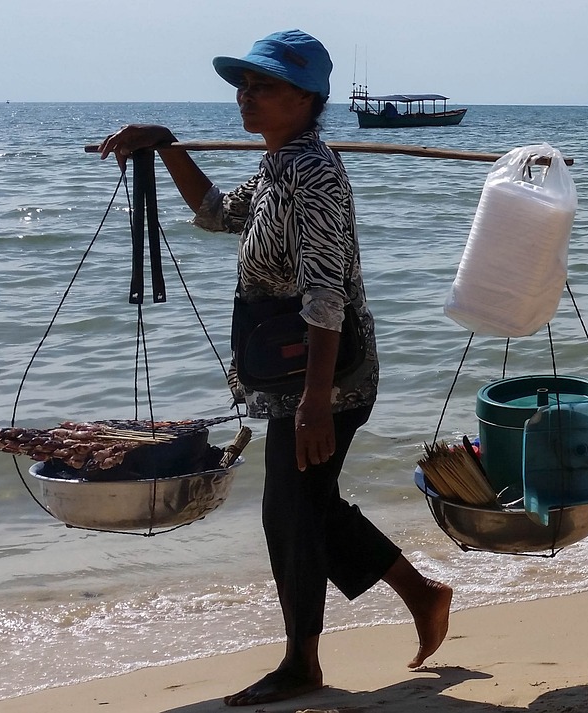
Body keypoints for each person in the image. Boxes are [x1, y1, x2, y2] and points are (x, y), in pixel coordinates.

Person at [98, 29, 452, 707]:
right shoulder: (277, 166)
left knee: (288, 511)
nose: (247, 97)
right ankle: (422, 594)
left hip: (328, 377)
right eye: (244, 85)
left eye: (266, 87)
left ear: (309, 98)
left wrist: (317, 400)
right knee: (306, 505)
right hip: (299, 377)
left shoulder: (312, 172)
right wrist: (168, 143)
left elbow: (326, 290)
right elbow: (212, 212)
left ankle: (302, 663)